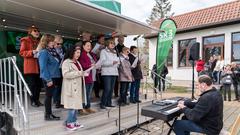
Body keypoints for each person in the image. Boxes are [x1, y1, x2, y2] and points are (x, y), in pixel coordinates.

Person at [61, 45, 86, 131]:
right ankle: (69, 123)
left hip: (77, 87)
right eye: (77, 52)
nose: (79, 54)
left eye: (80, 53)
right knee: (72, 107)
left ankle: (74, 121)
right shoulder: (66, 62)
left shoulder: (77, 62)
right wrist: (79, 73)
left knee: (76, 106)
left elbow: (79, 73)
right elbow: (65, 74)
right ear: (72, 52)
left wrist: (83, 73)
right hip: (71, 88)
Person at [38, 34, 61, 121]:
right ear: (47, 42)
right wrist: (48, 79)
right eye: (52, 41)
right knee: (48, 96)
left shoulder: (52, 51)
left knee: (50, 96)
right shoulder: (44, 52)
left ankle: (50, 114)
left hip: (54, 76)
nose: (54, 42)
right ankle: (47, 115)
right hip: (48, 77)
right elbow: (43, 67)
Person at [19, 25, 43, 107]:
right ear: (30, 32)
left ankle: (37, 100)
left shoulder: (40, 41)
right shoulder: (25, 40)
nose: (37, 32)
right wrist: (32, 52)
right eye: (35, 31)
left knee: (38, 85)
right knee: (32, 85)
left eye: (38, 31)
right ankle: (33, 101)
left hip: (39, 66)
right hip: (30, 67)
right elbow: (22, 53)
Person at [99, 38, 119, 109]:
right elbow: (102, 63)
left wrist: (117, 63)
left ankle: (109, 103)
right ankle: (103, 103)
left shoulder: (114, 51)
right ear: (107, 44)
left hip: (114, 72)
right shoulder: (103, 51)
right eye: (111, 43)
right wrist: (112, 62)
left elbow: (117, 61)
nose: (113, 44)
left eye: (113, 43)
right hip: (106, 72)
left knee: (111, 89)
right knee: (107, 88)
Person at [79, 41, 97, 113]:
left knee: (89, 94)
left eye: (90, 46)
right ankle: (81, 108)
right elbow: (81, 65)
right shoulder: (81, 54)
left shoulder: (90, 54)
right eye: (87, 45)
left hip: (91, 76)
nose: (89, 47)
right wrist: (90, 65)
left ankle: (88, 107)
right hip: (85, 77)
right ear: (83, 46)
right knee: (84, 94)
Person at [53, 35, 64, 108]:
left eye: (61, 44)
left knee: (60, 86)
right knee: (56, 87)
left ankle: (59, 101)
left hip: (61, 70)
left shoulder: (62, 50)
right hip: (54, 70)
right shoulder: (51, 50)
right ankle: (56, 101)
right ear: (54, 42)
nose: (59, 45)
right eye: (58, 44)